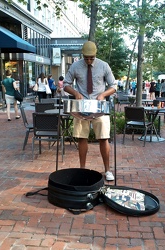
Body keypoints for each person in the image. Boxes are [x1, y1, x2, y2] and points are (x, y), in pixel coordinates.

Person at [63, 41, 117, 181]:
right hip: (82, 107)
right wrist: (75, 93)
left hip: (99, 107)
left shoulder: (104, 65)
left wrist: (103, 95)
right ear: (83, 55)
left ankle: (107, 170)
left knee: (104, 138)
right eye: (86, 57)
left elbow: (114, 86)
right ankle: (82, 169)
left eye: (91, 58)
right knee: (82, 138)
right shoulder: (75, 66)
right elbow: (66, 84)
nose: (88, 60)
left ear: (95, 55)